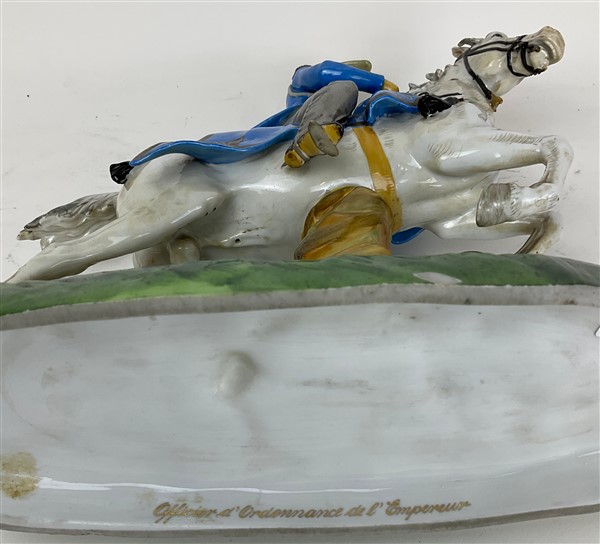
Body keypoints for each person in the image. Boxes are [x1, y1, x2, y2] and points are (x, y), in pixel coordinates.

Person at [110, 60, 457, 183]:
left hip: (343, 137)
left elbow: (382, 103)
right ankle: (306, 143)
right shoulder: (305, 88)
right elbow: (323, 73)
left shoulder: (362, 110)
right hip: (297, 126)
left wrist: (418, 103)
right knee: (345, 89)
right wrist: (377, 81)